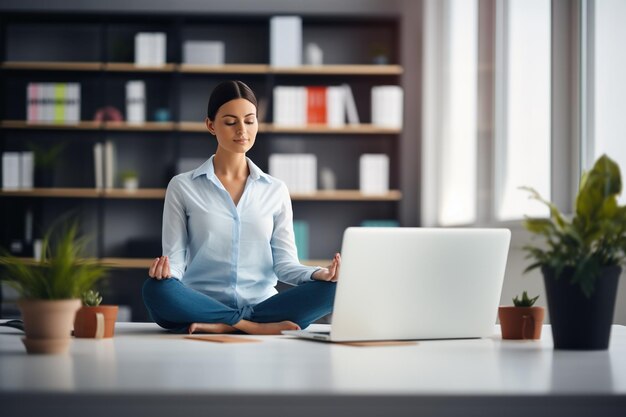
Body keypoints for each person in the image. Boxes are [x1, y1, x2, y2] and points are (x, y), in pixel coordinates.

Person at [142, 80, 340, 335]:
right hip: (201, 304)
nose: (242, 130)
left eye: (249, 120)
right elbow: (176, 263)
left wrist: (319, 274)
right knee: (156, 289)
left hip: (264, 305)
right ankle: (248, 325)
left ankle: (225, 324)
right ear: (211, 125)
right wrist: (165, 274)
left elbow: (285, 265)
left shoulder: (275, 190)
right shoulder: (182, 187)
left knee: (335, 288)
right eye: (230, 122)